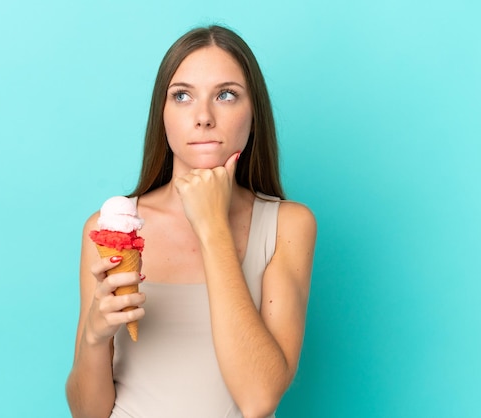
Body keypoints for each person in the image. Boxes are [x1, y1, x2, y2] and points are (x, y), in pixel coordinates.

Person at [65, 25, 316, 418]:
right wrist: (95, 338)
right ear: (161, 115)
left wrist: (213, 226)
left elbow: (258, 399)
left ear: (254, 113)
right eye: (182, 96)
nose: (203, 117)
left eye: (226, 95)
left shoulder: (288, 225)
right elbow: (86, 413)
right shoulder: (109, 227)